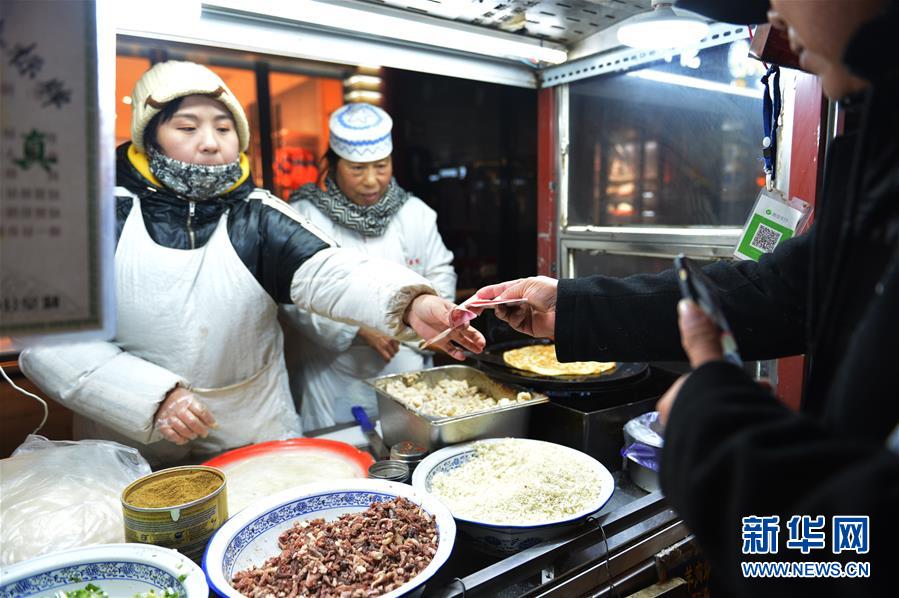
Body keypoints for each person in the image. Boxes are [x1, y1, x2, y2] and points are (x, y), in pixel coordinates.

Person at [474, 0, 898, 594]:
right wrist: (570, 305)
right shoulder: (878, 143)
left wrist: (721, 436)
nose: (772, 13)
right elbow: (780, 292)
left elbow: (854, 556)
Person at [19, 61, 484, 465]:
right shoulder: (96, 218)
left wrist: (409, 303)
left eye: (223, 128)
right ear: (149, 134)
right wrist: (149, 398)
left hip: (253, 427)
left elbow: (331, 270)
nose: (209, 143)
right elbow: (50, 341)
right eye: (187, 128)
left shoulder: (257, 215)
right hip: (134, 441)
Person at [282, 103, 456, 430]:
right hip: (334, 371)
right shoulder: (304, 214)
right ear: (333, 164)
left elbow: (440, 270)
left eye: (381, 166)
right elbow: (292, 292)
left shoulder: (414, 213)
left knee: (409, 446)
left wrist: (435, 318)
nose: (371, 181)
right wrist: (358, 326)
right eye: (357, 169)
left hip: (405, 363)